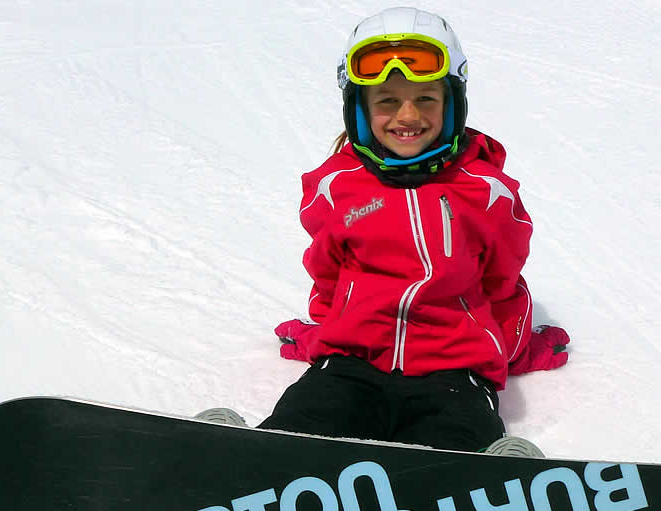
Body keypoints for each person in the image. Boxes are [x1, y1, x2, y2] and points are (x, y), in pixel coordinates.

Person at [200, 7, 570, 456]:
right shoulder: (336, 187)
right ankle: (235, 459)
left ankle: (490, 478)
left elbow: (501, 280)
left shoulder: (486, 192)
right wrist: (323, 332)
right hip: (351, 362)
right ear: (360, 108)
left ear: (453, 102)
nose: (407, 114)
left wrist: (516, 348)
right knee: (306, 422)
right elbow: (328, 274)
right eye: (387, 100)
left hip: (454, 371)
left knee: (456, 440)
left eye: (426, 98)